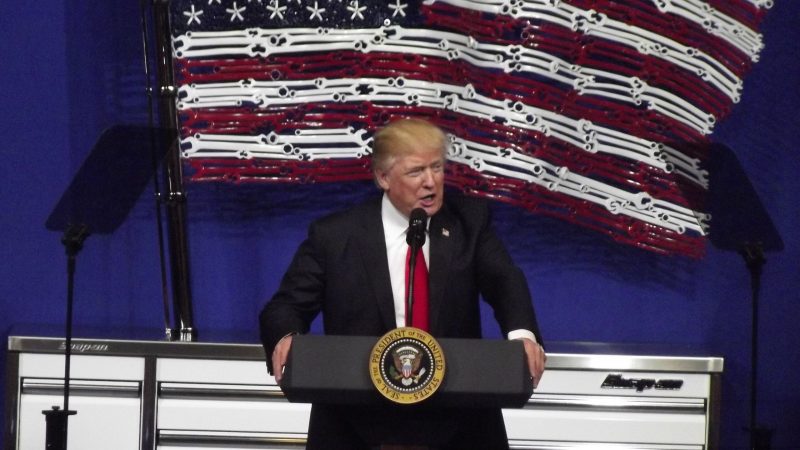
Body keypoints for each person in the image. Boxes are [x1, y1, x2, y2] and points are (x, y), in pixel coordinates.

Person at [259, 118, 545, 449]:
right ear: (383, 177)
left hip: (457, 421)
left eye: (437, 167)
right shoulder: (335, 236)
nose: (431, 182)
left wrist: (522, 335)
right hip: (357, 423)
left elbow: (504, 280)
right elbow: (286, 306)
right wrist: (285, 337)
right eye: (415, 172)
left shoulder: (469, 222)